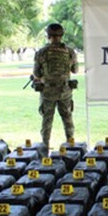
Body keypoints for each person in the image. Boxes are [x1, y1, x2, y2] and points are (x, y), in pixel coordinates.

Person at [33, 23, 78, 151]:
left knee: (47, 122)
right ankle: (71, 148)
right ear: (62, 35)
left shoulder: (41, 52)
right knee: (68, 120)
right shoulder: (70, 52)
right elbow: (75, 70)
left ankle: (45, 150)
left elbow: (37, 73)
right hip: (65, 91)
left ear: (48, 36)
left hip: (47, 92)